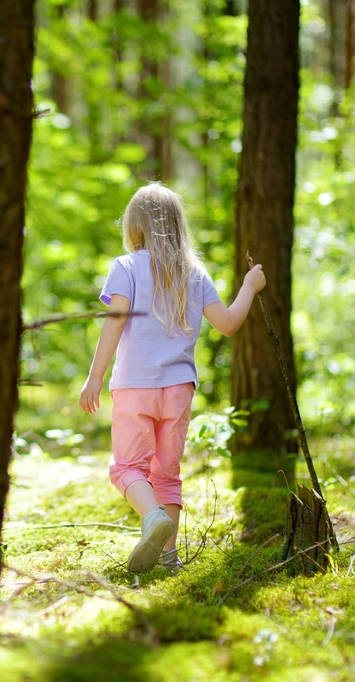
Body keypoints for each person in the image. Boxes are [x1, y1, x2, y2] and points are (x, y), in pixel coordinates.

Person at [79, 183, 267, 574]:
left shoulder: (127, 267)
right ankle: (169, 558)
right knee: (167, 473)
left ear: (135, 226)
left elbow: (114, 323)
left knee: (127, 468)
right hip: (178, 388)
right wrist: (249, 286)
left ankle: (151, 519)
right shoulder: (193, 272)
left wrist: (94, 377)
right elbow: (229, 324)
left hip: (135, 384)